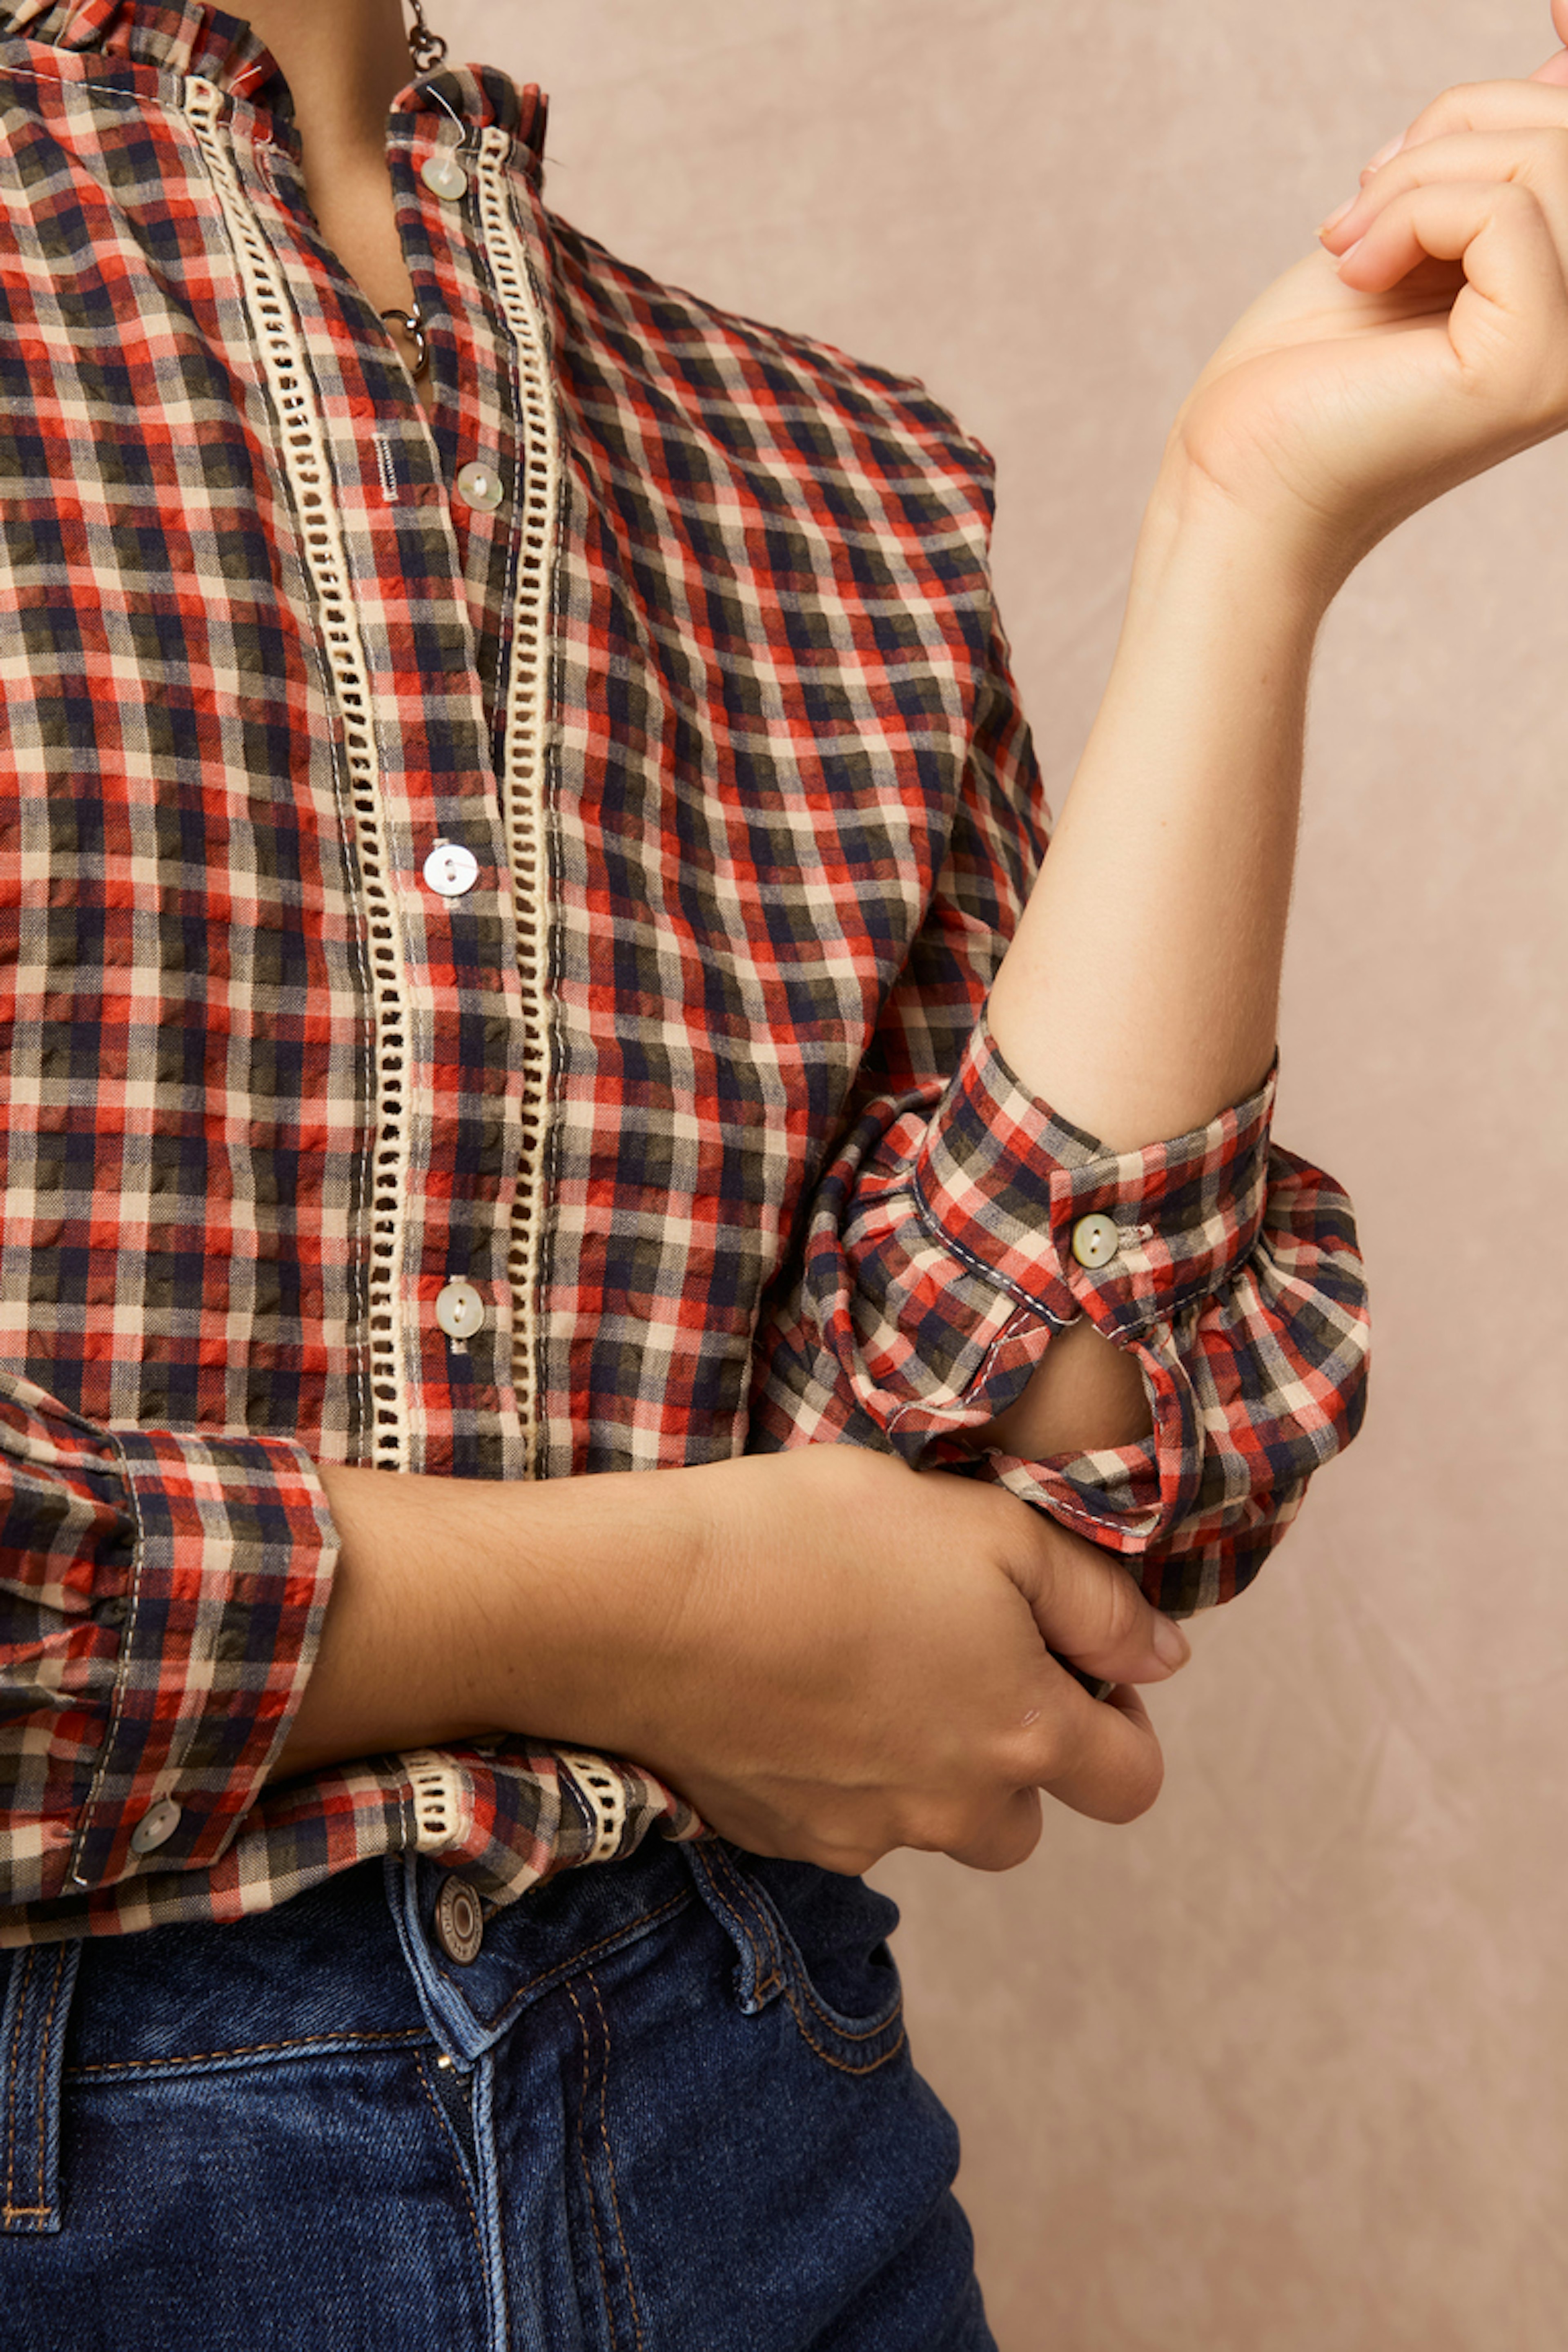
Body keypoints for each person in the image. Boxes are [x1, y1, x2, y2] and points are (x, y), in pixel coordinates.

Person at [0, 0, 1558, 2340]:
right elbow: (810, 1610)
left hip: (759, 2141)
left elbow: (1025, 1540)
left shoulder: (826, 473)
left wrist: (1250, 526)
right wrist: (662, 1610)